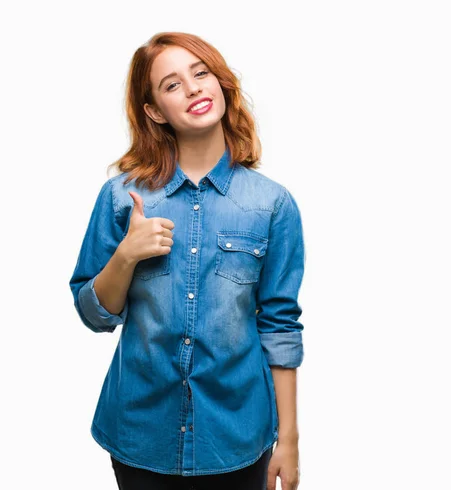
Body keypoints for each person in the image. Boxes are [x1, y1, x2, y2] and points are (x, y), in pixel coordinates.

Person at [68, 31, 305, 490]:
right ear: (155, 111)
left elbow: (279, 327)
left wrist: (289, 440)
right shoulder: (122, 197)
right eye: (172, 84)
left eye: (201, 73)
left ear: (221, 85)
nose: (194, 88)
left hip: (237, 436)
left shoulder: (272, 204)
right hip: (140, 433)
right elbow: (93, 313)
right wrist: (126, 255)